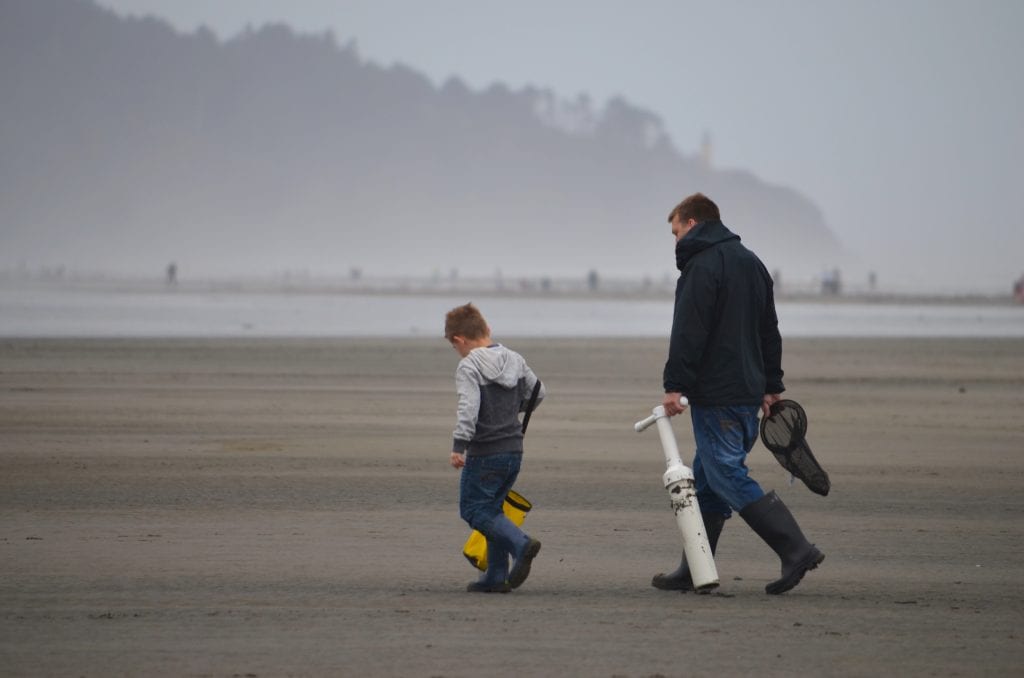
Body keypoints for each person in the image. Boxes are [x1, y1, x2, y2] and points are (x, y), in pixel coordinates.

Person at [653, 192, 824, 595]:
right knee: (710, 482)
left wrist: (674, 386)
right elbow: (769, 329)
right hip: (747, 391)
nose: (675, 241)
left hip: (718, 393)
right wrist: (770, 386)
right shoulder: (752, 262)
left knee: (726, 473)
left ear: (692, 224)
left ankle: (796, 548)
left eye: (676, 231)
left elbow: (688, 330)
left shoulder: (701, 266)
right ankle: (695, 566)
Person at [445, 303, 544, 593]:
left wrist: (459, 445)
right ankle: (496, 576)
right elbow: (539, 391)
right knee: (493, 509)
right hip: (514, 449)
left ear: (458, 340)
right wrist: (513, 410)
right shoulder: (514, 358)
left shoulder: (469, 366)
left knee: (474, 510)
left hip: (485, 452)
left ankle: (521, 543)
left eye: (455, 347)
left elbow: (469, 408)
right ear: (487, 330)